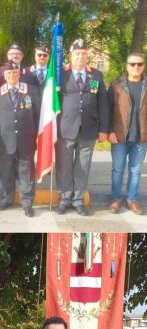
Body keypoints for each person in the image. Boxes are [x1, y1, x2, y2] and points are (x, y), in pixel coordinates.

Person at [56, 39, 110, 216]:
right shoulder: (60, 74)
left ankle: (78, 200)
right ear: (71, 56)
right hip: (65, 127)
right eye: (78, 53)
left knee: (83, 166)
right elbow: (52, 101)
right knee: (64, 166)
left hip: (89, 128)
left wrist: (104, 129)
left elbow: (103, 103)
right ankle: (64, 198)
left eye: (84, 53)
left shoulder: (96, 75)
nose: (81, 56)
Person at [0, 61, 40, 217]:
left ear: (19, 74)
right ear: (4, 75)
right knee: (6, 170)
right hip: (6, 140)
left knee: (26, 172)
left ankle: (27, 203)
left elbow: (37, 114)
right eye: (8, 73)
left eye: (14, 73)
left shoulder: (31, 91)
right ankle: (7, 198)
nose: (12, 75)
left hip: (26, 138)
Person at [108, 52, 147, 215]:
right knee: (117, 169)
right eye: (132, 64)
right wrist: (109, 130)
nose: (136, 67)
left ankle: (132, 199)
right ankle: (116, 198)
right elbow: (108, 110)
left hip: (141, 138)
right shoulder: (116, 85)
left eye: (139, 64)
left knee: (136, 170)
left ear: (143, 66)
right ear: (126, 66)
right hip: (119, 136)